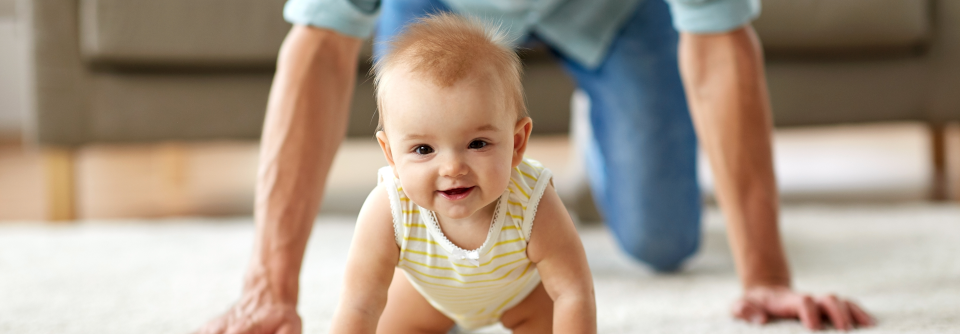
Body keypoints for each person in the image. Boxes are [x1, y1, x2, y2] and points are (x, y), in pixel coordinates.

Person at [196, 0, 875, 333]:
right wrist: (271, 286)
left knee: (661, 240)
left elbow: (721, 42)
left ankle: (599, 125)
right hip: (441, 12)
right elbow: (319, 44)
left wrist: (767, 275)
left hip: (611, 13)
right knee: (427, 141)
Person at [330, 14, 595, 333]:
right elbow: (359, 304)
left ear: (516, 143)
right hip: (427, 299)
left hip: (520, 299)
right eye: (424, 149)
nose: (453, 168)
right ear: (391, 155)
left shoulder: (534, 204)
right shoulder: (388, 210)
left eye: (477, 143)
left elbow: (572, 291)